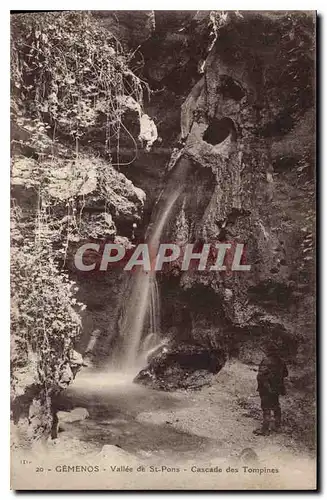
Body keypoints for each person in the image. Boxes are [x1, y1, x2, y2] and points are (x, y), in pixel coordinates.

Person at [253, 344, 288, 436]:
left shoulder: (266, 360)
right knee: (276, 406)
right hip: (277, 388)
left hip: (266, 388)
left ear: (268, 351)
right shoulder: (282, 361)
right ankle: (277, 426)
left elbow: (261, 376)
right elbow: (285, 374)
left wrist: (265, 384)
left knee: (266, 408)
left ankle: (264, 430)